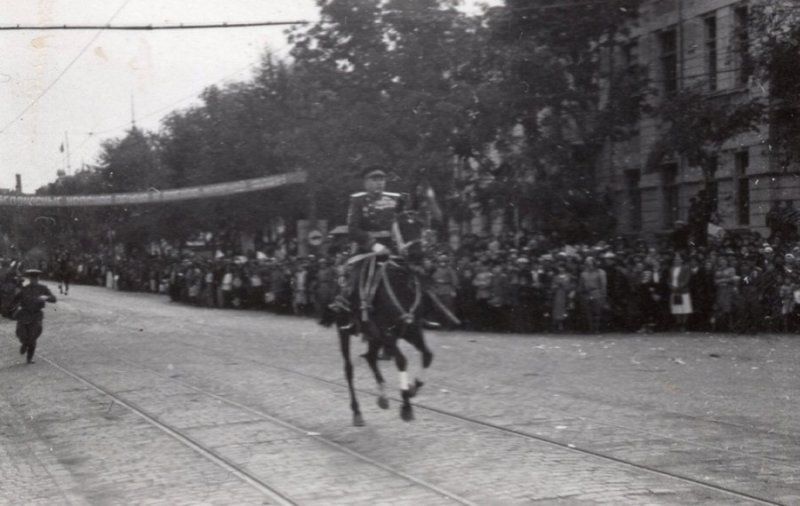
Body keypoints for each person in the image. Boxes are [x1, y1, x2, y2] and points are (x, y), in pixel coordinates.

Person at [11, 269, 57, 364]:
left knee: (33, 336)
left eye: (36, 278)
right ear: (29, 279)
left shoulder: (43, 288)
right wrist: (15, 298)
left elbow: (54, 299)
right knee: (21, 333)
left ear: (38, 279)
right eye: (32, 278)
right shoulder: (24, 289)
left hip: (36, 315)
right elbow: (14, 300)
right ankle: (24, 343)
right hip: (24, 314)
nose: (34, 280)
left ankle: (29, 358)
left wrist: (47, 297)